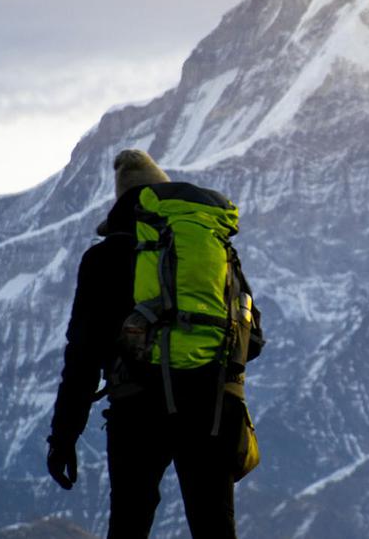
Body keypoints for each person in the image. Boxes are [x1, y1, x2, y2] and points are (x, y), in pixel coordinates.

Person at [46, 149, 256, 539]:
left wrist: (63, 437)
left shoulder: (103, 258)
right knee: (215, 529)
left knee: (129, 524)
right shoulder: (217, 249)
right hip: (212, 407)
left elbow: (82, 356)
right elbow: (252, 337)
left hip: (138, 409)